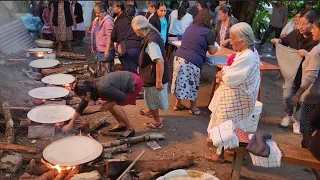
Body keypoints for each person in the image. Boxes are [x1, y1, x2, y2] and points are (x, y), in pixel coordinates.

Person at [206, 22, 261, 163]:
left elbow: (231, 77)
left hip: (237, 97)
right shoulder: (247, 52)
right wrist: (223, 72)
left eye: (232, 39)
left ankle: (220, 154)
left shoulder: (247, 55)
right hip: (240, 96)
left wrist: (221, 75)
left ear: (242, 41)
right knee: (234, 125)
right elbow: (231, 69)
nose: (231, 42)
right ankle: (232, 148)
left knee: (224, 124)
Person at [271, 10, 319, 134]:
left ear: (313, 25)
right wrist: (279, 41)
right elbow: (285, 40)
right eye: (299, 24)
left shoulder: (316, 41)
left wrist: (307, 55)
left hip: (308, 77)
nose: (300, 27)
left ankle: (297, 120)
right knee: (287, 96)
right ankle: (288, 114)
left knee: (303, 99)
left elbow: (314, 64)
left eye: (304, 24)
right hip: (292, 72)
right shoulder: (295, 34)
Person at [62, 71, 143, 139]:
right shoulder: (91, 88)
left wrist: (110, 104)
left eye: (82, 97)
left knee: (114, 105)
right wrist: (71, 123)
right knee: (110, 103)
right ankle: (121, 124)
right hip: (123, 84)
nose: (82, 99)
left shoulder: (104, 88)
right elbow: (81, 106)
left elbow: (123, 98)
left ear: (88, 94)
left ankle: (130, 129)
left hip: (134, 83)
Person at [171, 10, 218, 115]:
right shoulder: (208, 32)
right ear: (208, 20)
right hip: (191, 61)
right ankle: (193, 107)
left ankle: (177, 104)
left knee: (180, 82)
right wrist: (217, 48)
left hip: (178, 57)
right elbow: (212, 51)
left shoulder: (190, 28)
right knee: (192, 84)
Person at [131, 15, 170, 129]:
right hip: (154, 72)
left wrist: (158, 81)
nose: (136, 34)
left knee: (151, 99)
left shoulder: (151, 41)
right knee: (152, 98)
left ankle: (156, 121)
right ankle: (150, 111)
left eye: (136, 32)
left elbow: (159, 61)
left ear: (140, 29)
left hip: (154, 75)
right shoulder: (152, 32)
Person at [292, 17, 320, 141]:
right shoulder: (315, 52)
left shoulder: (317, 51)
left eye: (314, 28)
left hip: (312, 97)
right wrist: (308, 55)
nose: (312, 31)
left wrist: (298, 94)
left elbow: (310, 77)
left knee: (307, 131)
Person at [111, 4, 142, 74]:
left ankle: (130, 83)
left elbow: (113, 37)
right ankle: (136, 82)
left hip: (123, 49)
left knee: (126, 71)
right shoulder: (138, 22)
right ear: (134, 12)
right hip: (137, 48)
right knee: (135, 69)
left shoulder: (118, 22)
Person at [91, 4, 115, 76]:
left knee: (106, 71)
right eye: (96, 12)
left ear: (104, 12)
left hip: (105, 50)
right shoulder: (96, 20)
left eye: (98, 13)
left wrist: (107, 50)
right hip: (99, 49)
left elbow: (109, 37)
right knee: (99, 70)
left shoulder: (108, 21)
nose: (97, 14)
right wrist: (93, 46)